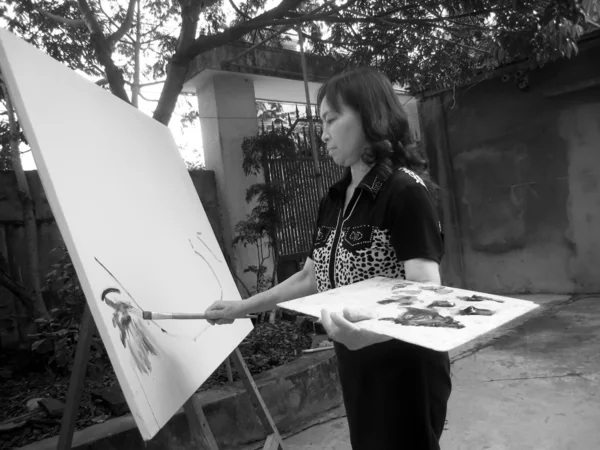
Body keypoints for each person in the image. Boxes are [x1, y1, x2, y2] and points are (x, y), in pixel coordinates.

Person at [204, 67, 451, 450]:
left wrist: (369, 333)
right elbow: (311, 276)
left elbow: (425, 290)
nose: (322, 134)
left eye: (331, 120)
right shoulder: (335, 199)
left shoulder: (403, 190)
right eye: (321, 122)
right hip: (355, 362)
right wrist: (242, 307)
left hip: (403, 367)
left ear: (371, 116)